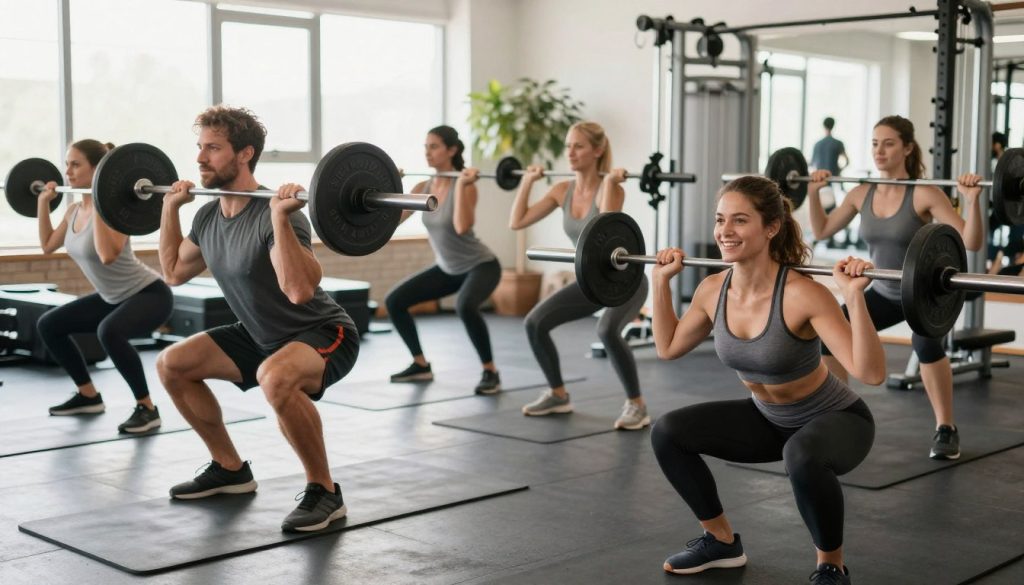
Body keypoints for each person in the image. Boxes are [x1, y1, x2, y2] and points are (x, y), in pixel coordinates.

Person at [650, 175, 884, 584]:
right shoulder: (712, 289)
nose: (725, 231)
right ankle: (721, 542)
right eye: (720, 220)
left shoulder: (802, 294)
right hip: (768, 419)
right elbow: (667, 347)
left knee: (802, 454)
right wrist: (659, 284)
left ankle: (831, 566)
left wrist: (855, 297)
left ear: (771, 227)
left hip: (838, 421)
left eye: (740, 221)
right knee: (668, 432)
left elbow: (871, 373)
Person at [156, 105, 359, 532]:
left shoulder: (278, 213)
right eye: (200, 147)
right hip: (260, 334)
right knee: (173, 364)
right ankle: (230, 469)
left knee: (275, 377)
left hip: (321, 331)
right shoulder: (209, 214)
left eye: (213, 148)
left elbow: (299, 291)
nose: (200, 158)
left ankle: (324, 491)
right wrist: (169, 209)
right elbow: (174, 272)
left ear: (244, 154)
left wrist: (281, 219)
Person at [806, 114, 983, 460]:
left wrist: (973, 199)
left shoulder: (924, 194)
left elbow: (971, 241)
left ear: (906, 148)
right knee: (831, 333)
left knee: (926, 344)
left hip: (922, 295)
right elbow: (823, 230)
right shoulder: (861, 192)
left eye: (888, 143)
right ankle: (842, 416)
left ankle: (946, 427)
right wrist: (813, 193)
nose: (880, 150)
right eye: (875, 143)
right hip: (885, 292)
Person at [508, 121, 650, 430]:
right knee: (535, 322)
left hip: (625, 279)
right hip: (591, 281)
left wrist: (611, 182)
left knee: (607, 331)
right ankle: (558, 394)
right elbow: (517, 222)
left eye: (579, 146)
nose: (570, 152)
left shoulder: (610, 188)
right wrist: (528, 181)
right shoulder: (562, 191)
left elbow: (609, 220)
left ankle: (637, 405)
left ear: (598, 150)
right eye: (568, 145)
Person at [37, 139, 173, 434]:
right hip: (113, 297)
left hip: (149, 293)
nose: (68, 172)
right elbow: (48, 245)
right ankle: (88, 395)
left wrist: (101, 201)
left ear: (97, 169)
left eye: (76, 164)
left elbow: (108, 256)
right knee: (49, 324)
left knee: (109, 332)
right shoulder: (73, 210)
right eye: (67, 164)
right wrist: (42, 204)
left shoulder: (115, 213)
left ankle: (147, 409)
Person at [386, 126, 503, 394]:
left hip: (480, 265)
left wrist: (462, 184)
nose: (428, 152)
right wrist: (391, 185)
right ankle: (420, 364)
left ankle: (490, 372)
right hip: (448, 269)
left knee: (465, 306)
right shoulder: (422, 187)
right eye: (426, 146)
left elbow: (462, 227)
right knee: (395, 301)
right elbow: (392, 221)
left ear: (452, 150)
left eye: (434, 146)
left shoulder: (465, 184)